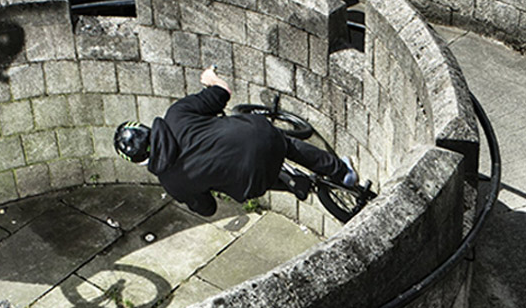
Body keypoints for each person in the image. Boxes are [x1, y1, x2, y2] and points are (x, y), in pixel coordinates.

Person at [113, 66, 357, 217]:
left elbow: (207, 209)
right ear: (146, 128)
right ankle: (343, 172)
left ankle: (300, 185)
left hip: (252, 180)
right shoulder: (176, 115)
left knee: (250, 177)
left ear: (139, 162)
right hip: (258, 136)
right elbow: (222, 93)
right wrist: (211, 78)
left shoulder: (172, 184)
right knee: (282, 144)